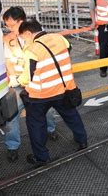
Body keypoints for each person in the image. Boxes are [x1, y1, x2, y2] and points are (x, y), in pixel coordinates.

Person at [18, 19, 88, 166]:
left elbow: (27, 78)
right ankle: (82, 140)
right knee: (71, 116)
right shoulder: (60, 38)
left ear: (29, 33)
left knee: (36, 125)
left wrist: (17, 79)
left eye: (24, 37)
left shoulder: (32, 50)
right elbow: (67, 51)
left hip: (40, 96)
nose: (24, 41)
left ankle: (42, 157)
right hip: (63, 90)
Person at [2, 7, 58, 163]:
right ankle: (12, 146)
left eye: (12, 25)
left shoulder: (37, 35)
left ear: (22, 22)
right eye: (7, 26)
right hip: (18, 83)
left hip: (38, 82)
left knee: (46, 110)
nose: (9, 29)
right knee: (11, 115)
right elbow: (8, 60)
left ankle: (50, 129)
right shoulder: (8, 39)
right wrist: (13, 76)